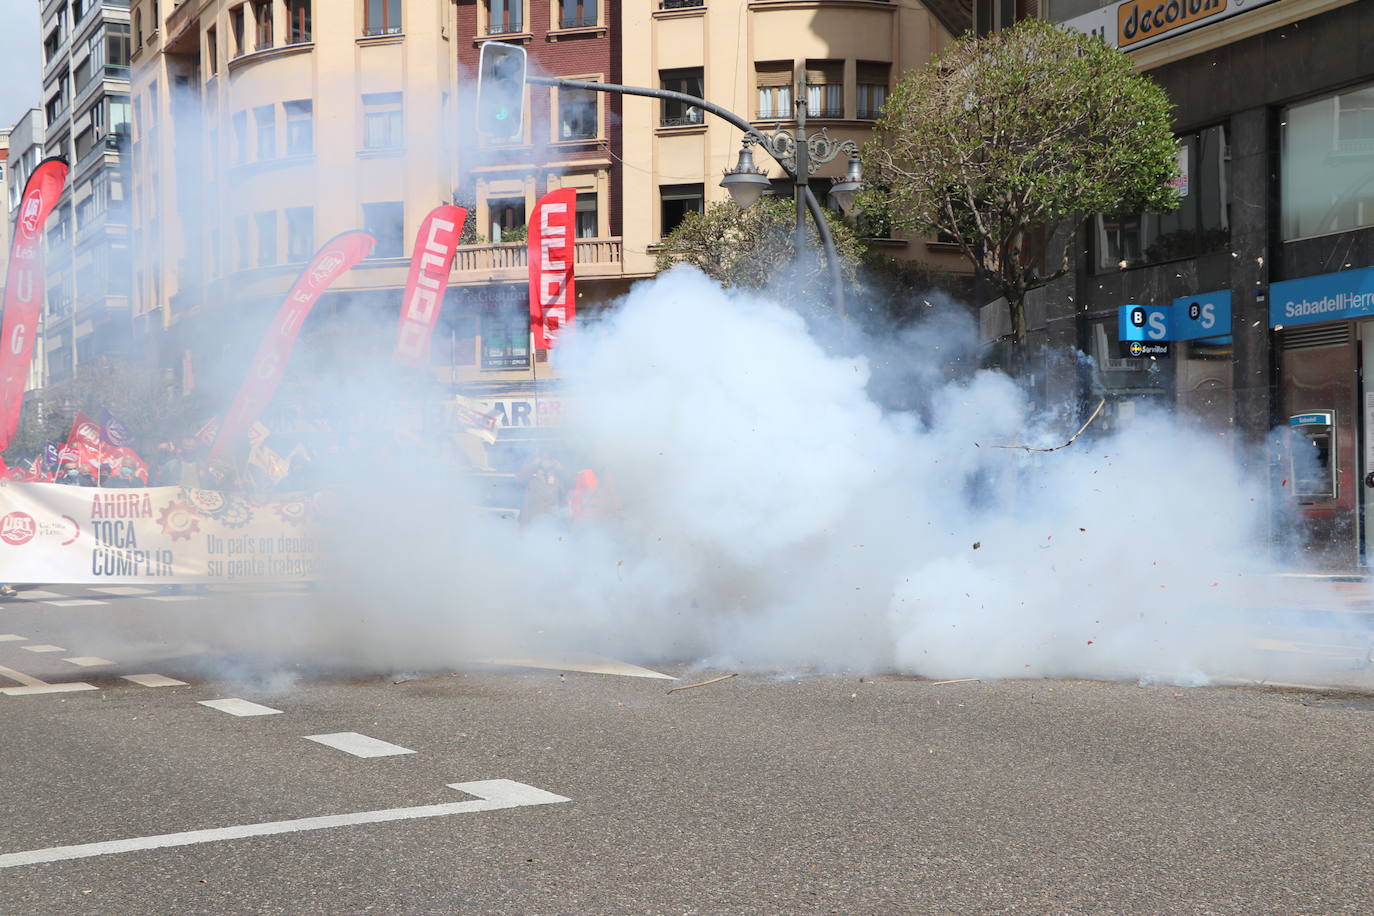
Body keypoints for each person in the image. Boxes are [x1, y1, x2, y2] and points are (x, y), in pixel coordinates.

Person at [516, 451, 567, 526]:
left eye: (549, 460)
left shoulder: (558, 483)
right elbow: (520, 477)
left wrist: (561, 469)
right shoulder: (533, 483)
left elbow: (564, 503)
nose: (545, 471)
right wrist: (532, 465)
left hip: (551, 522)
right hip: (533, 521)